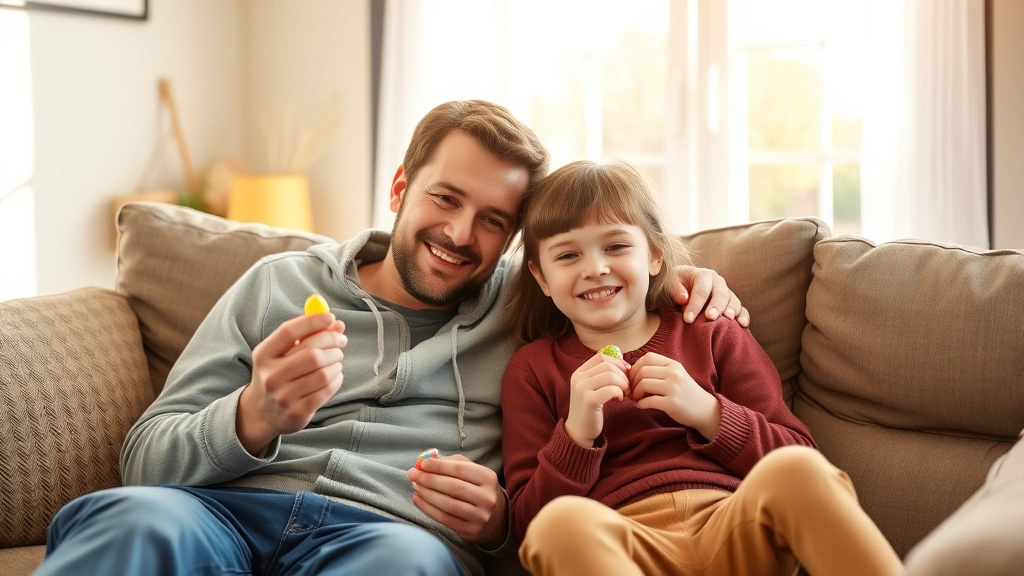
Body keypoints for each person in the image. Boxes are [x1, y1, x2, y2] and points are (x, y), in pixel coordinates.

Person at [36, 101, 747, 576]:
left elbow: (613, 283)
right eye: (445, 198)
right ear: (401, 187)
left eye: (494, 220)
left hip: (387, 538)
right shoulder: (277, 283)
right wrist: (252, 416)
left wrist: (687, 281)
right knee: (137, 521)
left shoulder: (528, 308)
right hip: (217, 511)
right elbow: (143, 459)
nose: (462, 235)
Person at [500, 160, 903, 576]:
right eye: (567, 255)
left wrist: (709, 412)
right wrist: (576, 437)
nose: (595, 268)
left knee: (797, 471)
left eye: (616, 246)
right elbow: (529, 524)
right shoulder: (531, 371)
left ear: (655, 254)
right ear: (541, 277)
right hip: (621, 546)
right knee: (558, 525)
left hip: (734, 527)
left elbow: (801, 453)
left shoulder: (710, 331)